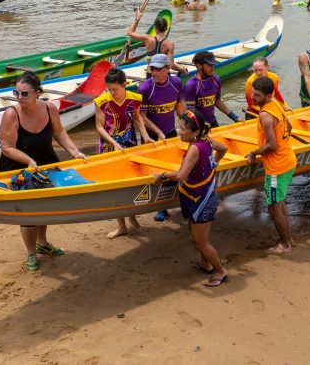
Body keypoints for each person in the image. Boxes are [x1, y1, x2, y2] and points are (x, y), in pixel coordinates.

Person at [0, 72, 87, 271]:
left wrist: (74, 151)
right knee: (28, 212)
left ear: (37, 93)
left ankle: (42, 243)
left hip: (44, 161)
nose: (19, 98)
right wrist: (29, 160)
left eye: (24, 94)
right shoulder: (11, 114)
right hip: (18, 164)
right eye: (16, 93)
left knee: (45, 207)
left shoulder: (49, 108)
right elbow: (6, 147)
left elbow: (59, 132)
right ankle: (31, 253)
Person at [153, 110, 229, 287]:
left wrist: (162, 175)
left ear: (195, 131)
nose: (179, 131)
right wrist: (213, 165)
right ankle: (206, 264)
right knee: (196, 238)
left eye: (183, 129)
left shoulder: (195, 148)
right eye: (179, 127)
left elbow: (180, 175)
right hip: (193, 197)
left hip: (202, 200)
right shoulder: (205, 140)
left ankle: (221, 271)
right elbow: (223, 149)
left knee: (200, 243)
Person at [94, 68, 152, 239]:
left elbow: (137, 118)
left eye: (115, 90)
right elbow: (99, 126)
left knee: (130, 182)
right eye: (109, 89)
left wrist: (146, 136)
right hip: (109, 146)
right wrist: (113, 142)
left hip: (129, 143)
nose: (112, 93)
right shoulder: (101, 101)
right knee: (114, 186)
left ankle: (132, 217)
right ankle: (121, 226)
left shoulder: (135, 99)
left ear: (125, 85)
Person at [246, 76, 298, 254]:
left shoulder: (265, 115)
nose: (253, 97)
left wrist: (253, 152)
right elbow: (289, 126)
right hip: (288, 159)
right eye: (253, 93)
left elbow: (271, 145)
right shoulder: (276, 103)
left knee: (274, 206)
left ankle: (284, 244)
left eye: (258, 95)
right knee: (278, 202)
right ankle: (288, 238)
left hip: (277, 167)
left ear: (268, 96)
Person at [139, 53, 186, 222]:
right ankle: (162, 208)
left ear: (168, 69)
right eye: (152, 68)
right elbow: (142, 116)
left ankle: (178, 199)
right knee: (157, 173)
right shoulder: (145, 88)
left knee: (176, 168)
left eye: (158, 69)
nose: (154, 72)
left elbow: (178, 104)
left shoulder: (176, 83)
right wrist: (158, 132)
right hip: (152, 136)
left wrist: (186, 123)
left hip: (171, 132)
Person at [184, 51, 240, 128]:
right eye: (209, 65)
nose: (212, 68)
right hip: (198, 124)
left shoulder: (216, 79)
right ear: (199, 66)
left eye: (213, 65)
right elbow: (191, 111)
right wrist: (202, 125)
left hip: (212, 121)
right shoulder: (191, 85)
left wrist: (234, 117)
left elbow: (217, 101)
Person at [125, 8, 188, 75]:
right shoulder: (170, 44)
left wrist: (137, 18)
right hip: (163, 75)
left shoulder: (147, 38)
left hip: (150, 74)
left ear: (155, 28)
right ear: (166, 28)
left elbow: (129, 32)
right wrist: (182, 70)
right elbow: (171, 65)